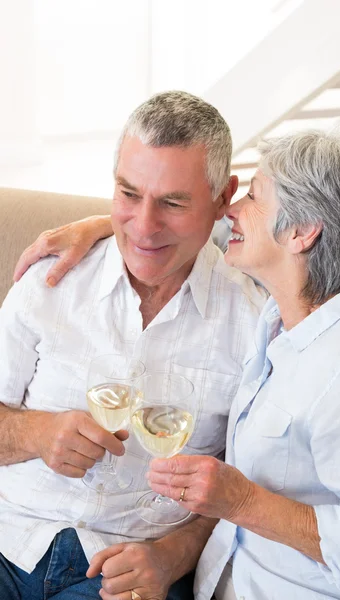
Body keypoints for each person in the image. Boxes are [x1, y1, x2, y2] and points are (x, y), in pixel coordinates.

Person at [26, 127, 340, 599]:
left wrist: (242, 500)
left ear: (303, 233)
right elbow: (184, 222)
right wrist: (108, 227)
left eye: (255, 198)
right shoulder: (282, 319)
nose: (233, 209)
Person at [0, 91, 265, 600]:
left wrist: (174, 556)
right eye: (128, 194)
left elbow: (252, 491)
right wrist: (35, 433)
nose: (143, 228)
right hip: (9, 539)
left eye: (172, 202)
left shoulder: (254, 322)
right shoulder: (51, 281)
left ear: (221, 197)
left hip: (124, 572)